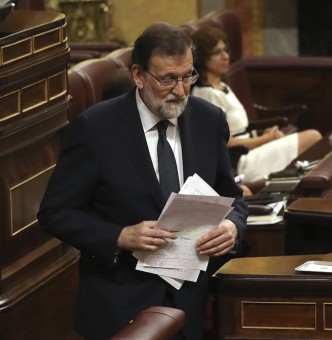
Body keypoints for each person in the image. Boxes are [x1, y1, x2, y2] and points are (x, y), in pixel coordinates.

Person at [38, 22, 248, 340]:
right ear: (138, 76)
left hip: (191, 303)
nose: (180, 90)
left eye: (188, 76)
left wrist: (232, 226)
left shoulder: (209, 120)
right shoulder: (96, 129)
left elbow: (233, 197)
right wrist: (119, 235)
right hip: (121, 305)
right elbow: (55, 212)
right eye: (167, 79)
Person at [189, 26, 322, 182]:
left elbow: (240, 128)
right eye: (217, 53)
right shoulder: (205, 94)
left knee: (311, 146)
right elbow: (227, 143)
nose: (226, 56)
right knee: (313, 137)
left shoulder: (221, 86)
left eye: (226, 50)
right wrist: (267, 139)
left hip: (251, 150)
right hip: (241, 161)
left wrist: (264, 135)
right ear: (203, 58)